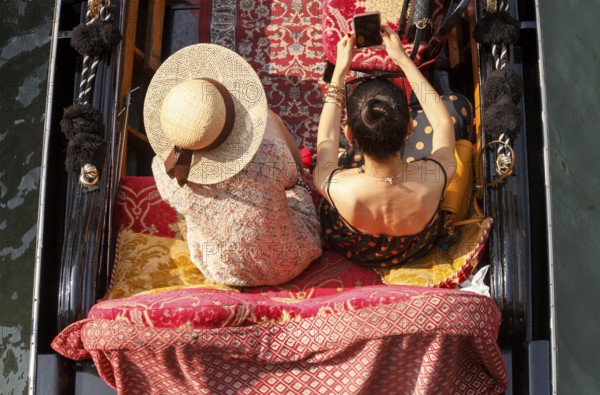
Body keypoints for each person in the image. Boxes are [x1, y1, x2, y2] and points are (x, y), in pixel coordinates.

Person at [144, 43, 321, 286]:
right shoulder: (270, 156)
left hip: (223, 270)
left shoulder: (165, 172)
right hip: (294, 257)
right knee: (276, 132)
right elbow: (293, 177)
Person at [313, 25, 458, 268]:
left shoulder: (336, 185)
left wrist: (339, 72)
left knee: (334, 155)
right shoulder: (436, 175)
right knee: (456, 105)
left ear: (349, 135)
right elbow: (442, 122)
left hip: (358, 250)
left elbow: (326, 139)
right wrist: (403, 60)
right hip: (415, 249)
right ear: (409, 129)